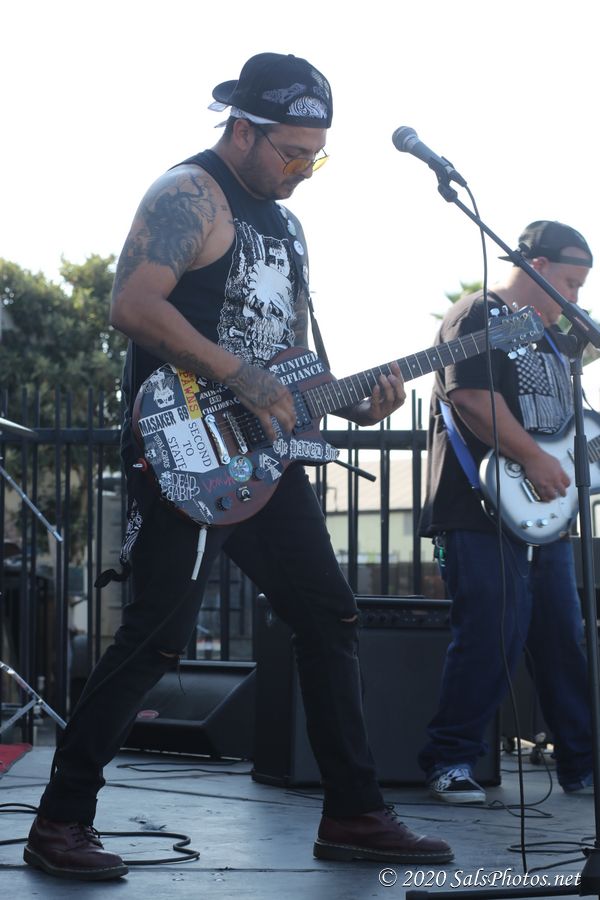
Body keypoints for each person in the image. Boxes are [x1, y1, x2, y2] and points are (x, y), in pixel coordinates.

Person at [23, 52, 453, 880]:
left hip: (264, 460)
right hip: (185, 449)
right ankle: (61, 820)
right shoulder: (189, 193)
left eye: (315, 157)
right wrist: (239, 376)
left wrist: (352, 401)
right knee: (157, 636)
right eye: (292, 153)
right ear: (244, 129)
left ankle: (355, 813)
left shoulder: (287, 227)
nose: (303, 171)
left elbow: (287, 359)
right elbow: (132, 304)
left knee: (328, 618)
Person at [418, 220, 594, 803]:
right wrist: (536, 461)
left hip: (543, 517)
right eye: (570, 283)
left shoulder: (554, 338)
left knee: (561, 639)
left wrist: (558, 467)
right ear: (537, 267)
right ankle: (449, 760)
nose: (575, 298)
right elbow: (470, 396)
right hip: (478, 511)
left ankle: (583, 765)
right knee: (491, 633)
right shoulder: (478, 314)